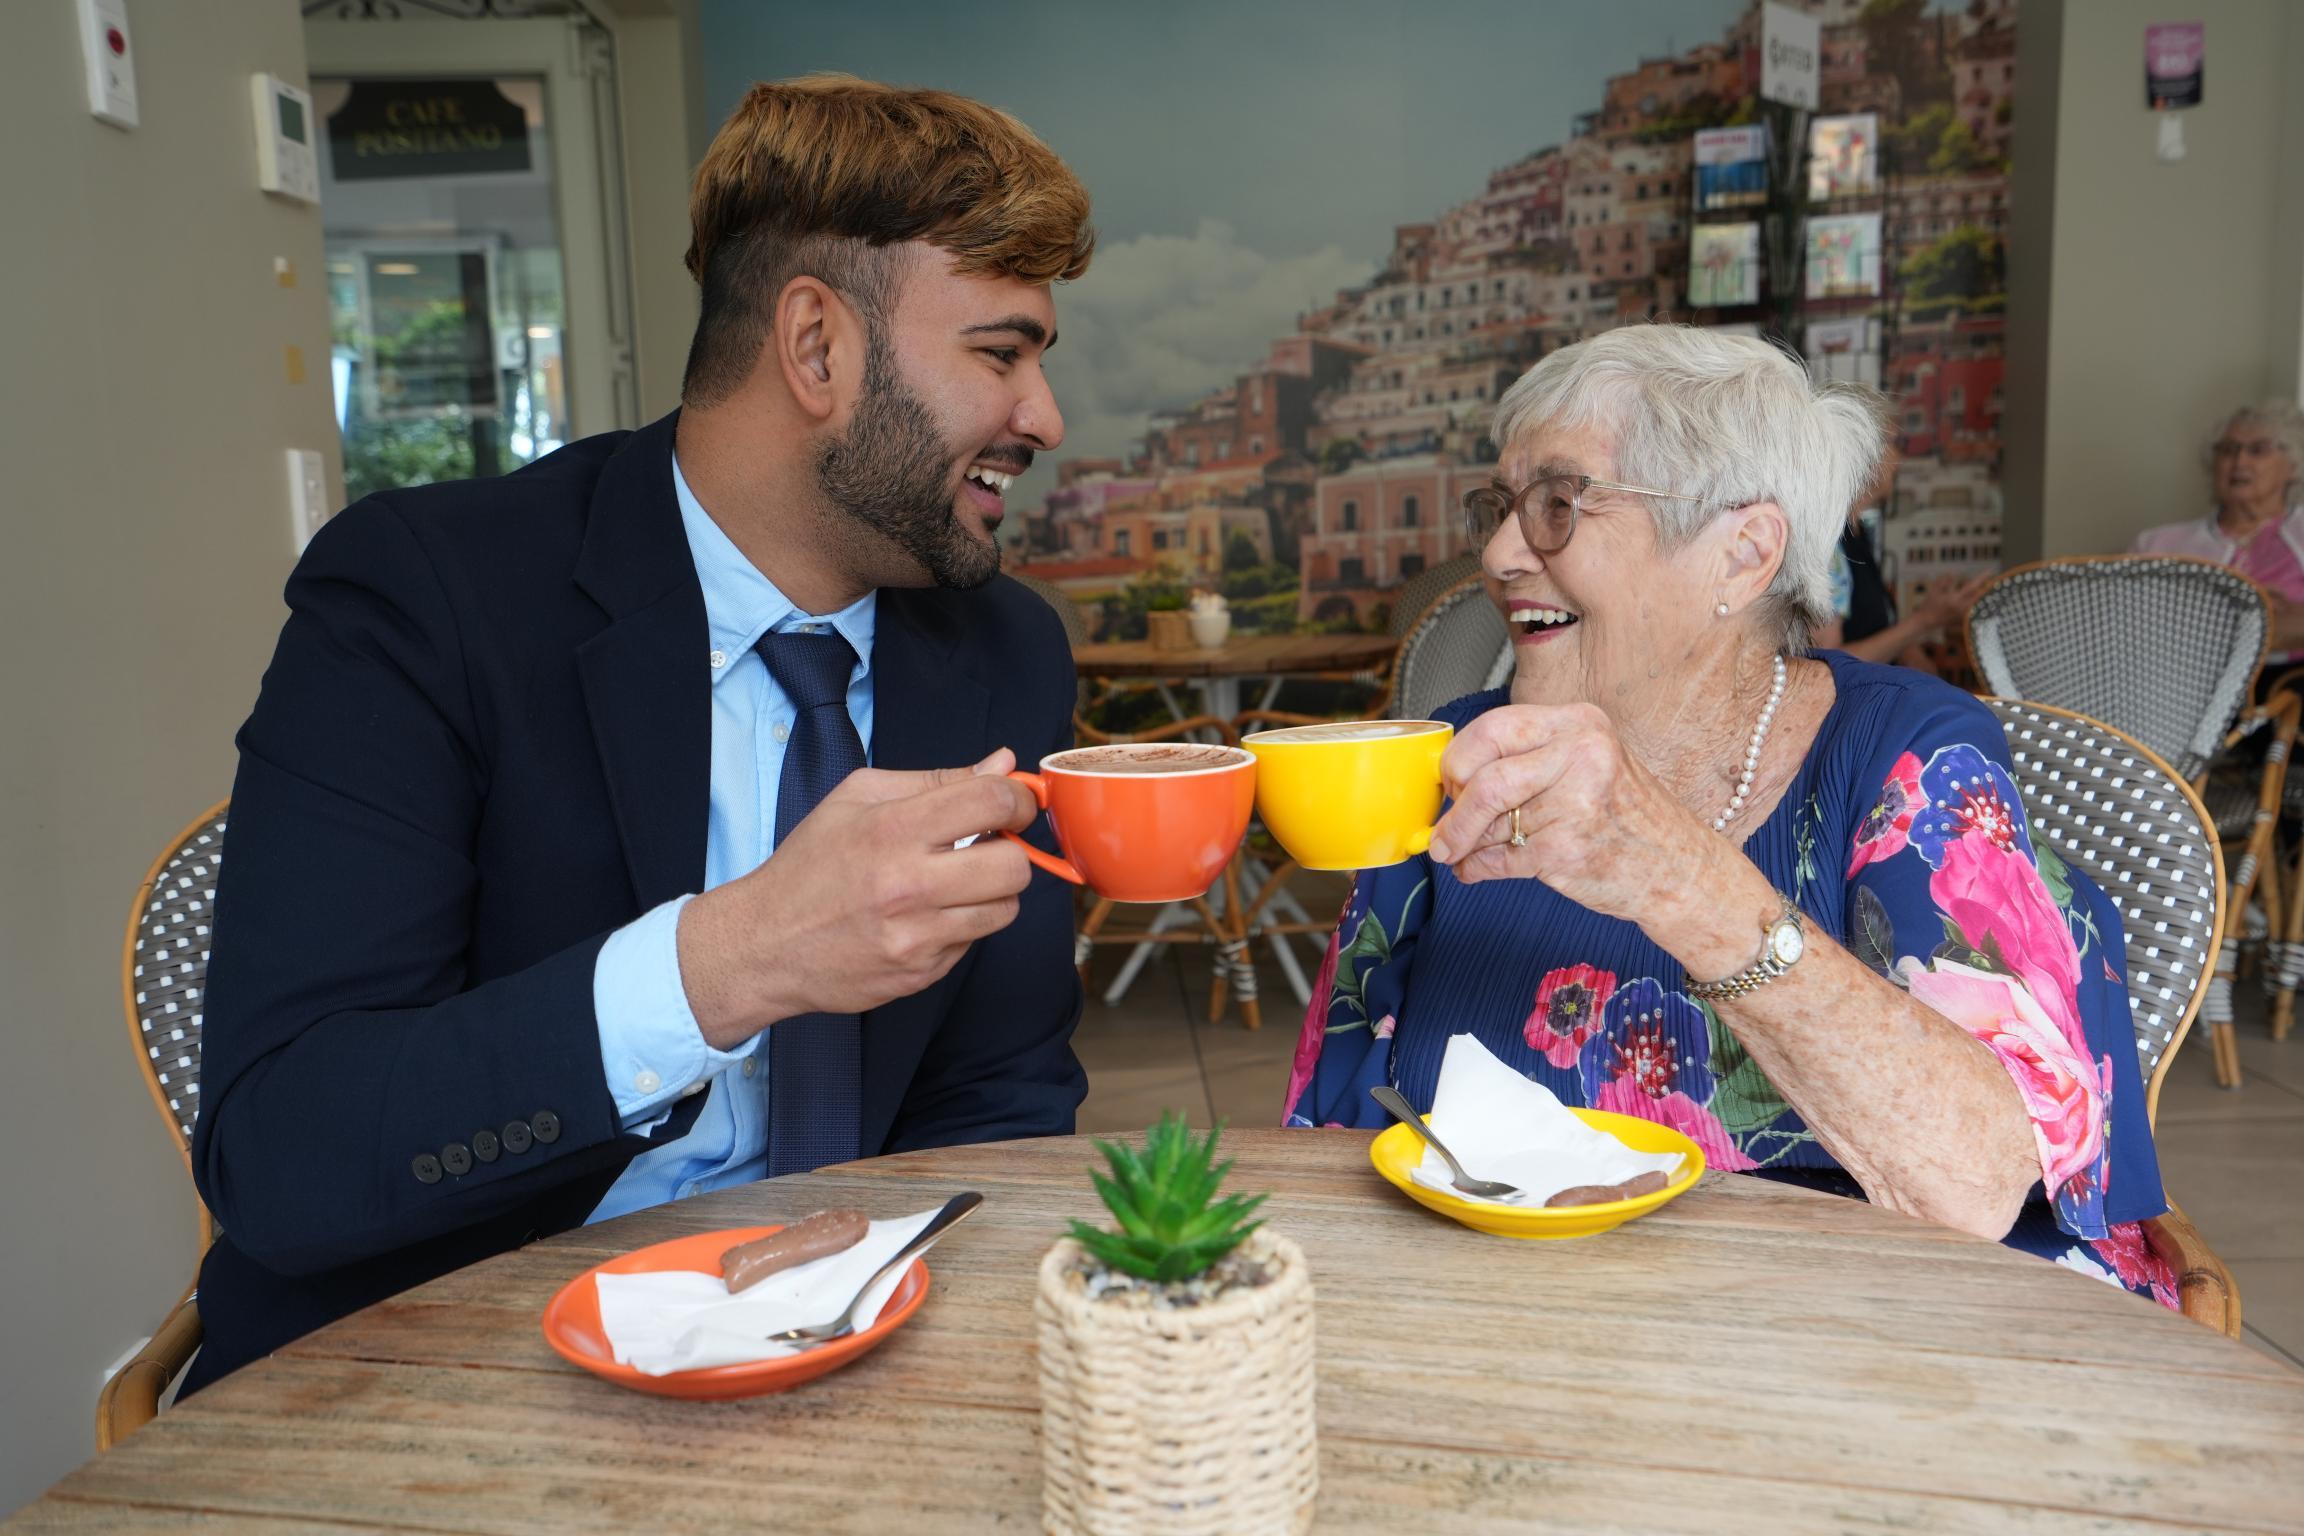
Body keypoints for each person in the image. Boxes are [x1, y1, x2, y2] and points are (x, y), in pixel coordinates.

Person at [187, 75, 1097, 1392]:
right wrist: (727, 963)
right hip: (438, 1371)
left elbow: (1001, 1098)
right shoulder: (424, 600)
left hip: (846, 1353)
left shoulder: (1003, 650)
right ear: (817, 346)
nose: (1045, 419)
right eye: (1002, 354)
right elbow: (286, 1152)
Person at [1286, 326, 2179, 1307]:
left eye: (1558, 505)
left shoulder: (1904, 756)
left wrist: (1684, 884)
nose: (1501, 556)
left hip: (1866, 1345)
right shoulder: (1447, 761)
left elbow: (1974, 1181)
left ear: (1743, 554)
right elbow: (1328, 1150)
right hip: (1504, 1341)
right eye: (1499, 508)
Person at [2132, 399, 2304, 655]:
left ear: (2293, 465)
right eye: (2227, 450)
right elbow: (2131, 630)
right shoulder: (2156, 544)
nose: (2239, 461)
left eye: (2258, 450)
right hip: (2189, 684)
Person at [1811, 446, 1994, 665]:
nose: (1899, 457)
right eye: (1890, 442)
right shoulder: (1828, 546)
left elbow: (1889, 635)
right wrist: (1925, 620)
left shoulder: (1858, 534)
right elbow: (1823, 665)